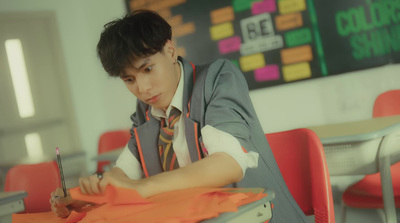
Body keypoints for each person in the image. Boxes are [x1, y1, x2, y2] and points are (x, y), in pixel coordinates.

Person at [50, 10, 308, 222]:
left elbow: (229, 163)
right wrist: (87, 195)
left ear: (170, 51)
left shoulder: (217, 79)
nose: (142, 88)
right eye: (129, 79)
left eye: (148, 69)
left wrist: (142, 188)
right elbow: (124, 174)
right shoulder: (145, 111)